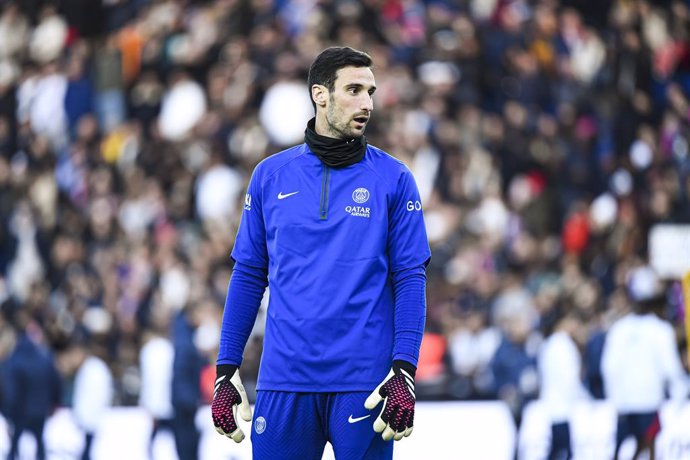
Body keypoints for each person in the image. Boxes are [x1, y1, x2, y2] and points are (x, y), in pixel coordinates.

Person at [211, 46, 431, 460]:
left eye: (370, 91)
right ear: (320, 95)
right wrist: (226, 368)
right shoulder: (269, 176)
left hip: (364, 384)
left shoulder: (395, 179)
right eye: (353, 90)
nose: (366, 103)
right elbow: (247, 275)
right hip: (284, 380)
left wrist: (405, 369)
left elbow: (411, 277)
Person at [601, 266, 688, 460]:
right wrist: (680, 393)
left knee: (623, 449)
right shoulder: (661, 330)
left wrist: (614, 399)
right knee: (649, 450)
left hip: (624, 403)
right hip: (649, 402)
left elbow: (609, 367)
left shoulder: (619, 329)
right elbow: (671, 368)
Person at [2, 320, 61, 460]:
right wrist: (55, 402)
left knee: (14, 444)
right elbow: (56, 383)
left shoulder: (14, 361)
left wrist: (7, 411)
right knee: (40, 444)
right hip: (40, 411)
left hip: (19, 412)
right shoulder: (45, 359)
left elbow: (10, 389)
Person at [537, 310, 589, 460]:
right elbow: (570, 378)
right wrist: (582, 396)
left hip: (555, 403)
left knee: (559, 448)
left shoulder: (550, 343)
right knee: (562, 449)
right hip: (562, 404)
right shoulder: (563, 344)